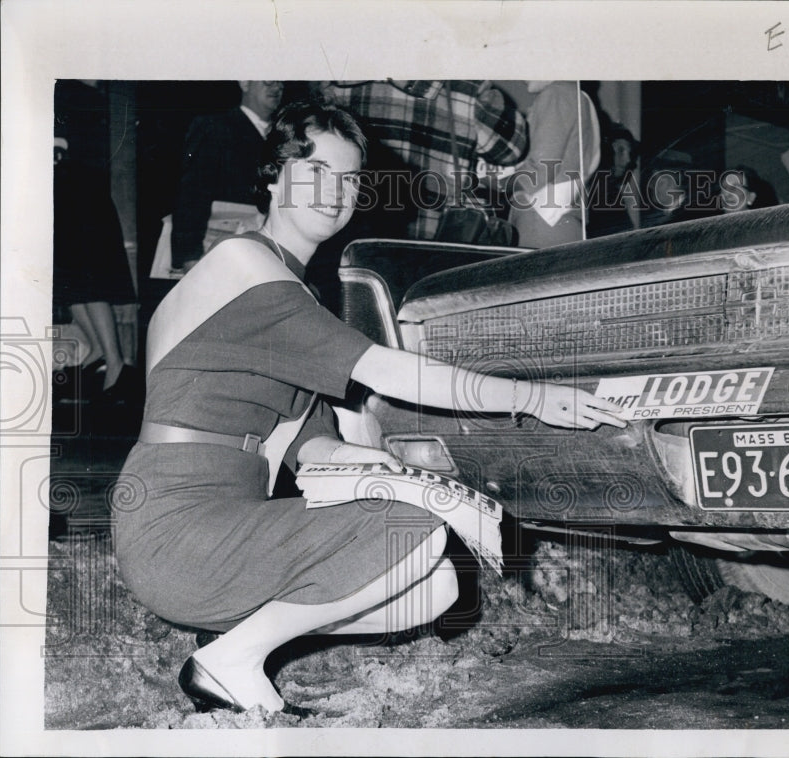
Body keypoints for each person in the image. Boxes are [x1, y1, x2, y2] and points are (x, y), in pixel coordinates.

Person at [114, 101, 626, 716]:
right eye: (318, 172)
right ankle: (228, 662)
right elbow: (385, 369)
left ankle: (234, 638)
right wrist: (531, 397)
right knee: (413, 532)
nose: (336, 193)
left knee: (434, 585)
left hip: (227, 521)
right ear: (274, 175)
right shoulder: (243, 266)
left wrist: (435, 484)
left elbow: (320, 450)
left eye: (351, 179)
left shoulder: (290, 291)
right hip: (173, 524)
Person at [312, 80, 528, 241]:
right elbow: (511, 148)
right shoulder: (463, 87)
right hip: (440, 238)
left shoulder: (341, 78)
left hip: (356, 233)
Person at [53, 80, 138, 400]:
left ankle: (114, 362)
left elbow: (82, 150)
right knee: (69, 283)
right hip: (63, 192)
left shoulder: (81, 96)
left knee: (88, 282)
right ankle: (99, 352)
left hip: (81, 193)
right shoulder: (63, 89)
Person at [170, 81, 284, 271]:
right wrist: (190, 256)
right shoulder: (215, 127)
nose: (277, 87)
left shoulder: (284, 135)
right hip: (222, 253)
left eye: (281, 82)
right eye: (268, 80)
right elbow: (192, 195)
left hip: (270, 254)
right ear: (245, 83)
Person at [507, 81, 601, 248]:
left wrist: (499, 184)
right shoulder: (580, 96)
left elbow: (541, 169)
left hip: (541, 219)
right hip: (563, 219)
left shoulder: (556, 94)